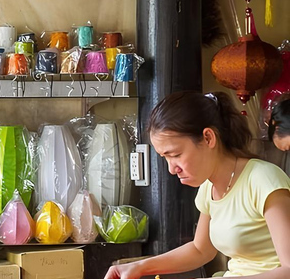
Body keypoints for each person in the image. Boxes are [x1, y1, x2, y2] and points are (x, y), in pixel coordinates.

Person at [104, 91, 290, 279]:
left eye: (176, 155)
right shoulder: (209, 188)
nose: (171, 169)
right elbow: (200, 250)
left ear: (208, 138)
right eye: (165, 158)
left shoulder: (263, 180)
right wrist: (139, 267)